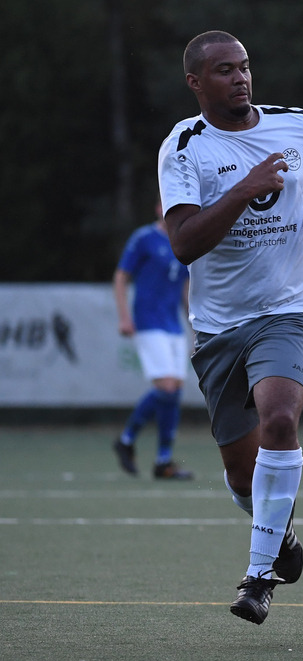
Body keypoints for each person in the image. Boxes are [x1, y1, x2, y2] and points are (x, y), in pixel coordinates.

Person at [157, 30, 303, 625]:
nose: (241, 78)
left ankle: (258, 576)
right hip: (220, 324)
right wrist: (245, 189)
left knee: (279, 417)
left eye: (244, 67)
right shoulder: (184, 147)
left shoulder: (297, 126)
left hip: (291, 306)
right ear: (196, 82)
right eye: (224, 70)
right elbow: (185, 244)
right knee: (243, 476)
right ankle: (280, 535)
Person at [112, 199, 193, 480]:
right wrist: (124, 317)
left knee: (175, 391)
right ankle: (126, 438)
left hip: (173, 325)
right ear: (158, 209)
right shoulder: (144, 238)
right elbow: (121, 277)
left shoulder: (184, 241)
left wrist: (194, 325)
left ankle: (163, 462)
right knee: (167, 387)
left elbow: (184, 287)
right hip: (148, 322)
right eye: (164, 205)